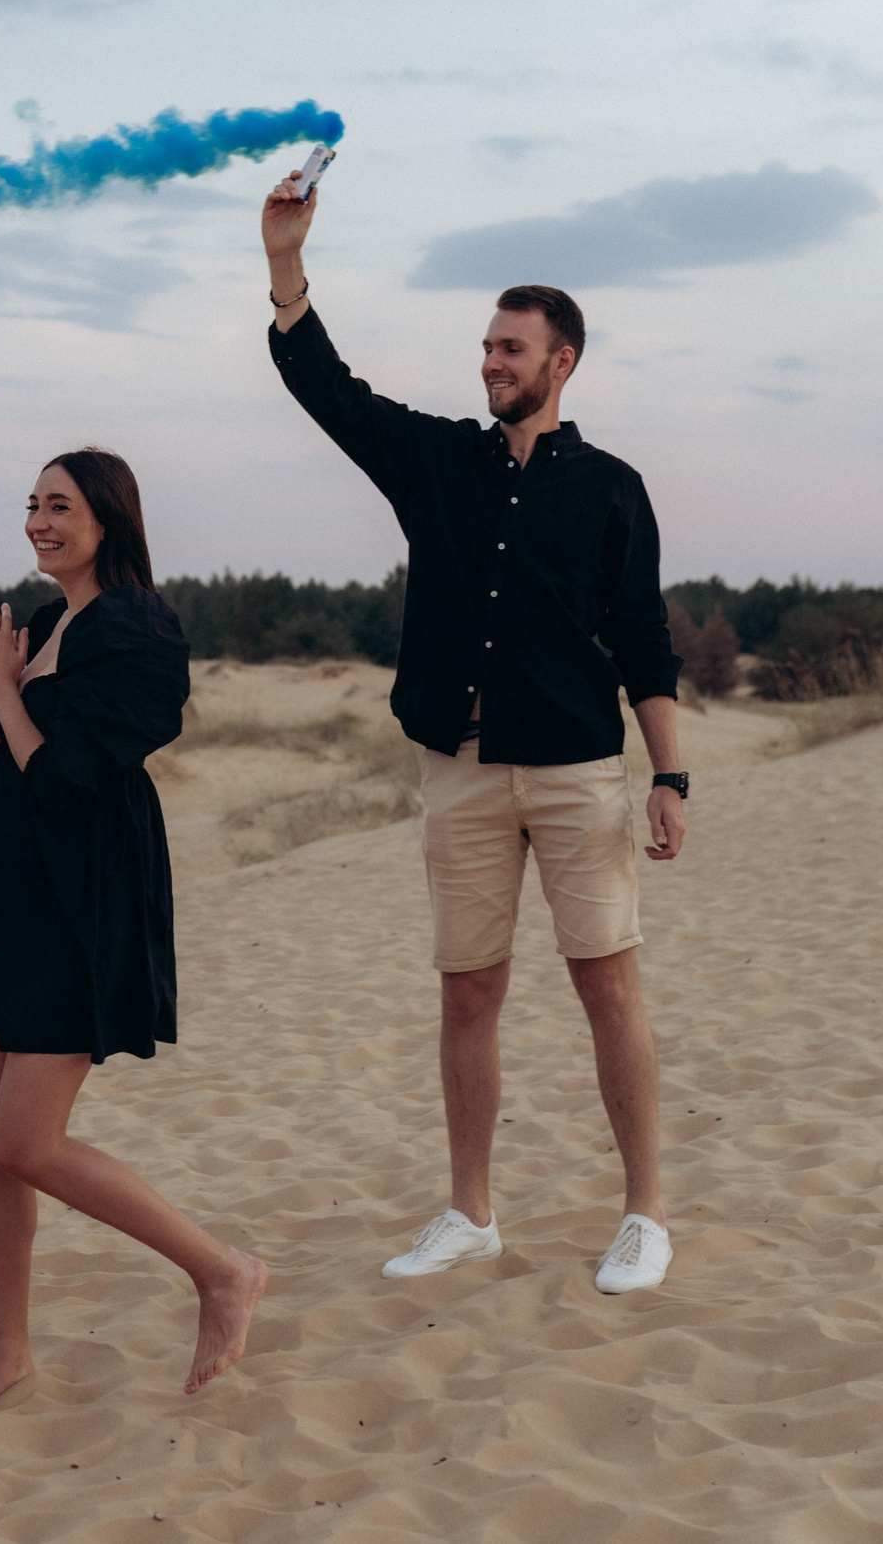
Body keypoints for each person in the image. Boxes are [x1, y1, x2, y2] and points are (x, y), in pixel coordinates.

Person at [260, 170, 689, 1295]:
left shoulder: (612, 489)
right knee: (466, 993)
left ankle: (645, 1215)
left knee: (609, 989)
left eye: (512, 348)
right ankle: (470, 1214)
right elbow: (331, 393)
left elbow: (643, 640)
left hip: (579, 772)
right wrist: (287, 266)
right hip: (458, 772)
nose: (492, 362)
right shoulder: (440, 463)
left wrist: (670, 775)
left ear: (562, 362)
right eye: (487, 347)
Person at [0, 448, 269, 1411]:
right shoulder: (50, 623)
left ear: (108, 519)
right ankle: (9, 1352)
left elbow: (67, 782)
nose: (39, 522)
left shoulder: (135, 627)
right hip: (11, 904)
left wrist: (7, 690)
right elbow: (22, 758)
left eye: (60, 505)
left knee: (25, 1141)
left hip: (75, 906)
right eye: (32, 504)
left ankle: (221, 1270)